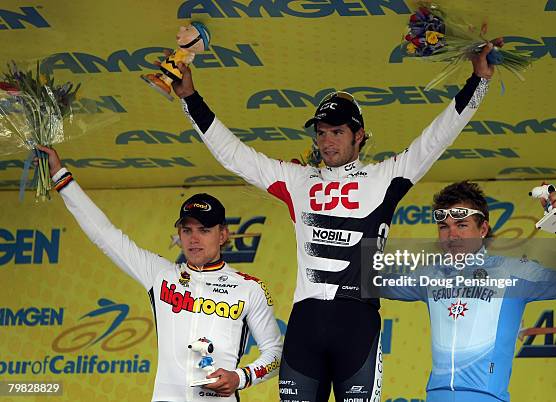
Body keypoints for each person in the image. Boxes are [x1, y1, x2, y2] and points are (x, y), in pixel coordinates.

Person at [171, 40, 503, 401]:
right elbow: (234, 155)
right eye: (322, 132)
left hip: (356, 324)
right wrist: (190, 98)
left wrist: (478, 81)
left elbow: (436, 138)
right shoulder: (297, 181)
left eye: (338, 132)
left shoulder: (385, 177)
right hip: (306, 325)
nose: (327, 142)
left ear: (358, 135)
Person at [36, 145, 283, 402]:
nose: (194, 238)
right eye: (187, 230)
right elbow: (105, 234)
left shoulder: (249, 288)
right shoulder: (162, 274)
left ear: (223, 234)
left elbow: (275, 354)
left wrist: (240, 377)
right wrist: (59, 176)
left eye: (204, 230)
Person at [380, 181, 556, 402]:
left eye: (461, 225)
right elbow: (369, 283)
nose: (451, 235)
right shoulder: (429, 275)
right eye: (444, 227)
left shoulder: (513, 272)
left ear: (483, 229)